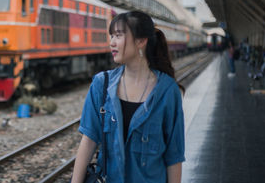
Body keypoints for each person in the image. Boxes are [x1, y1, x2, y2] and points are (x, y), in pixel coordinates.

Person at [72, 11, 185, 183]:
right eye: (111, 36)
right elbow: (88, 141)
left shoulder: (168, 91)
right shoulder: (101, 85)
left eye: (118, 36)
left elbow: (174, 155)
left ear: (141, 41)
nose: (112, 43)